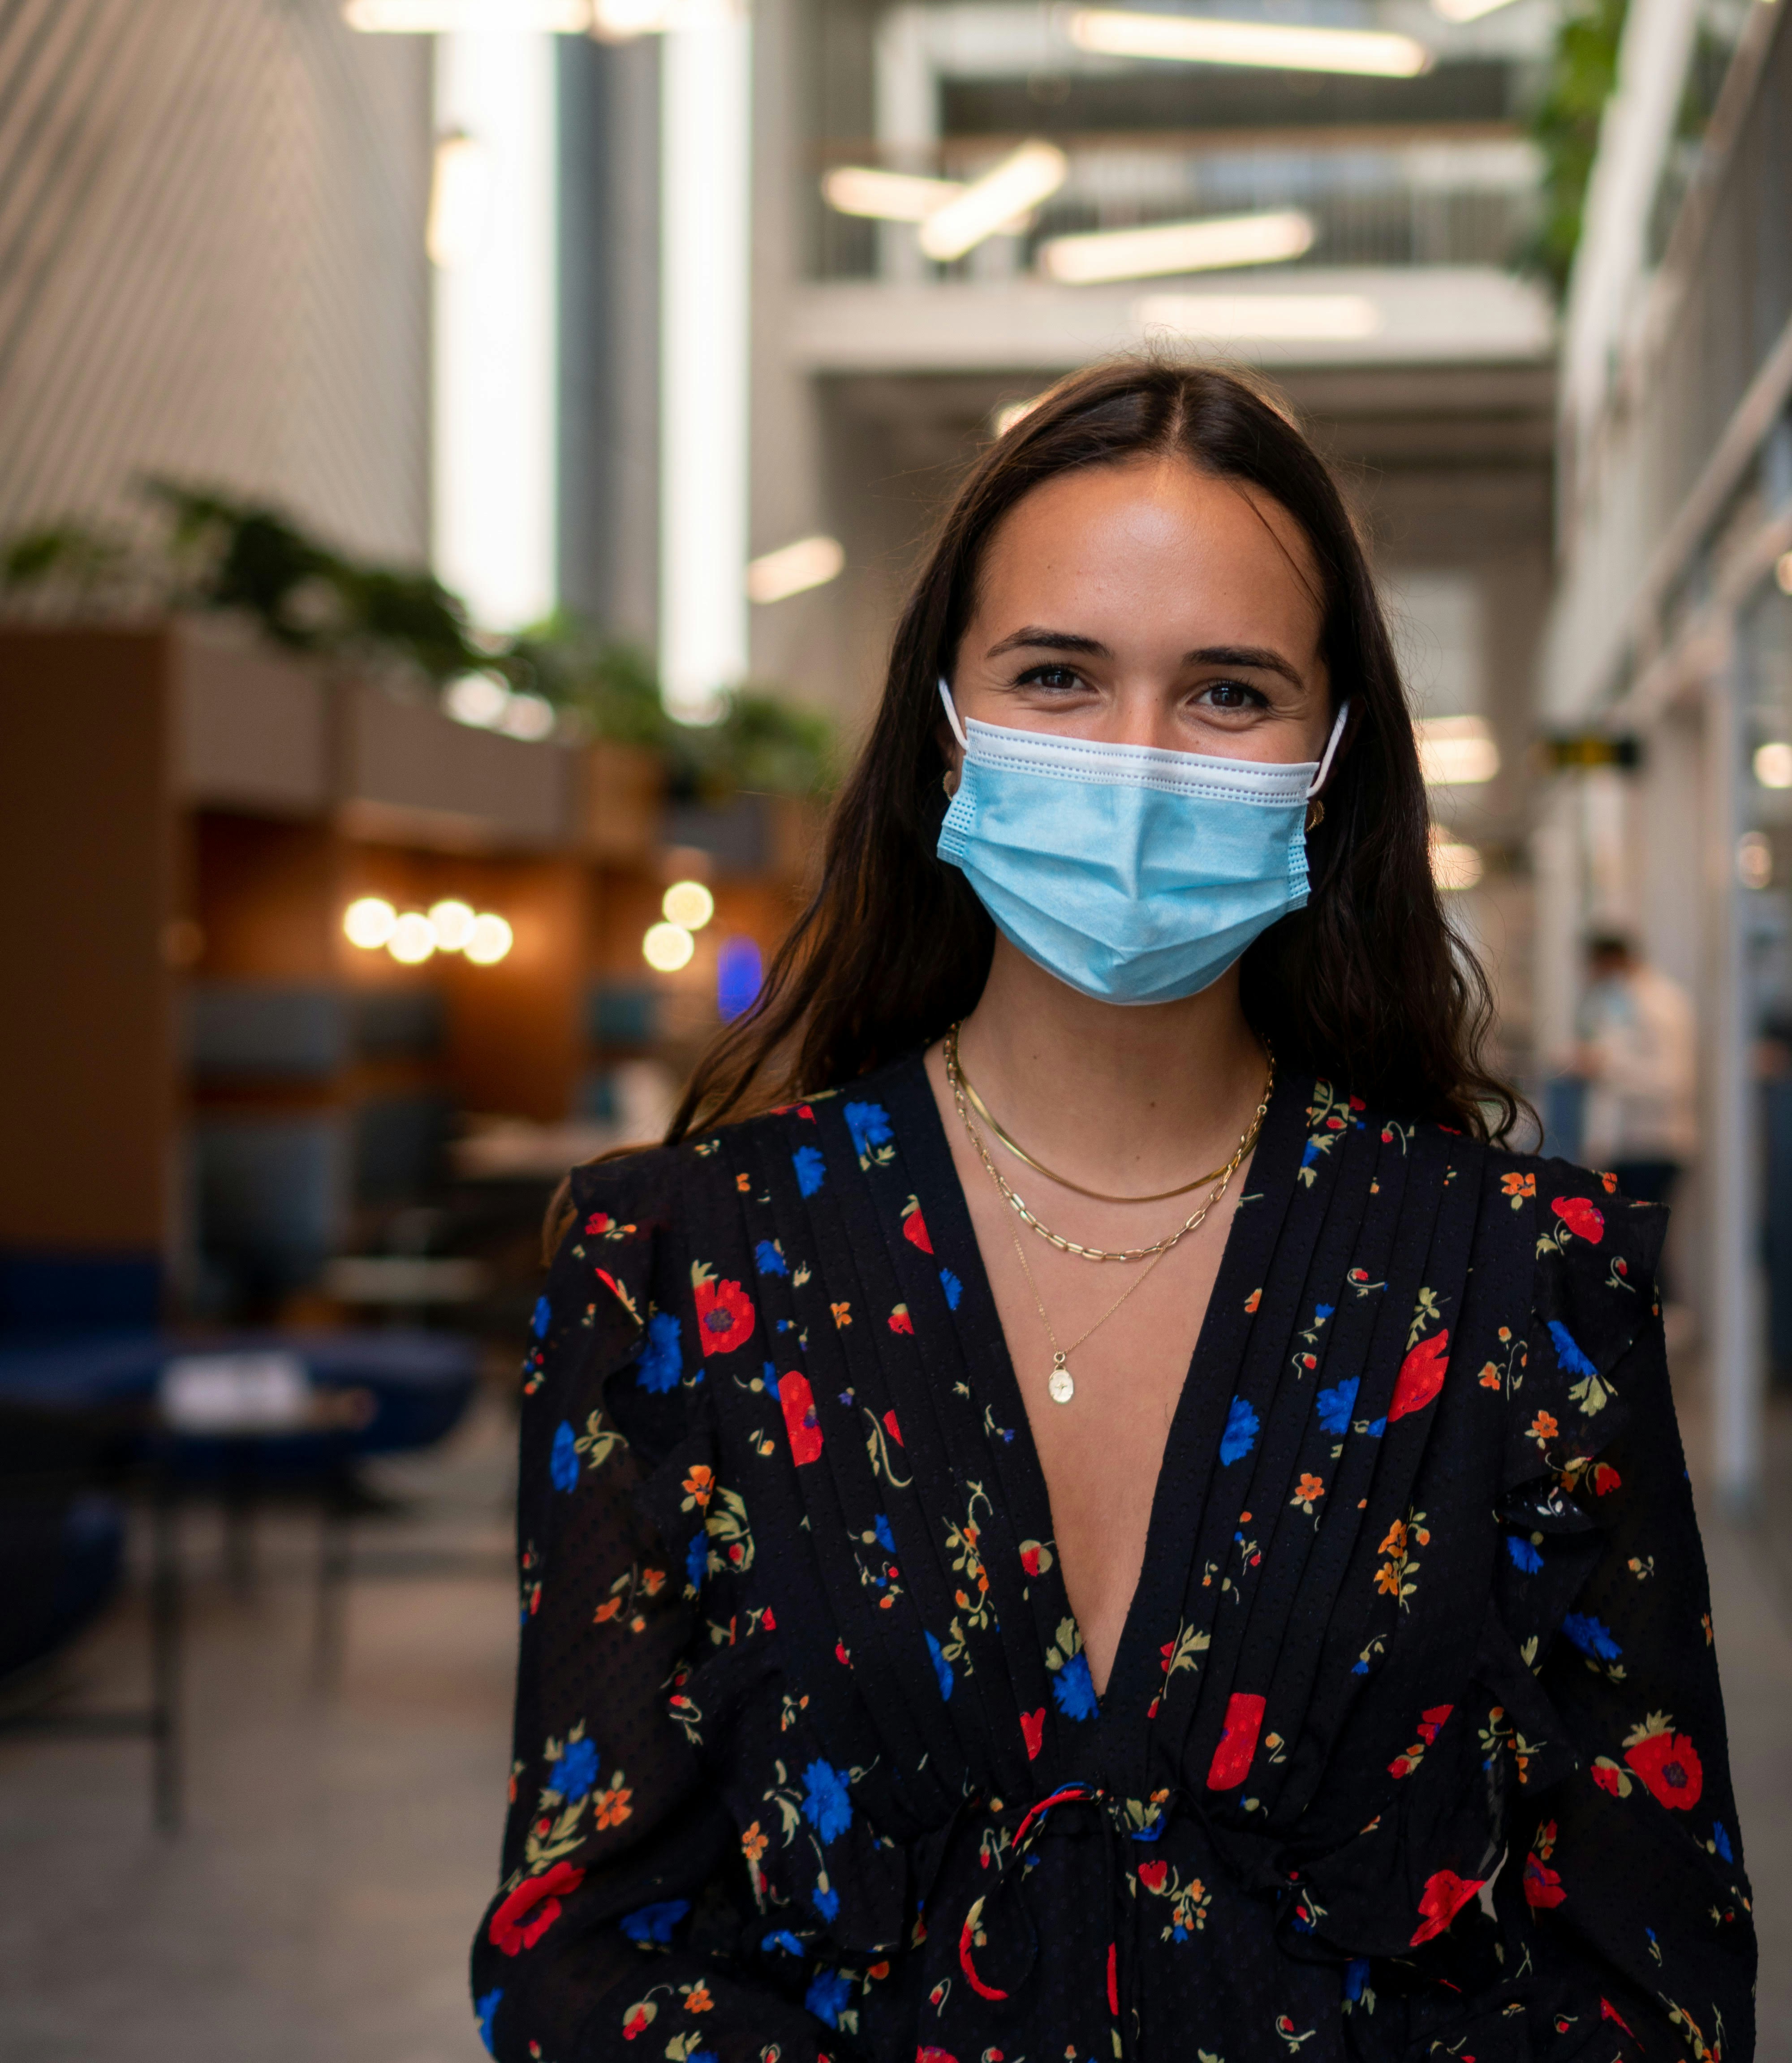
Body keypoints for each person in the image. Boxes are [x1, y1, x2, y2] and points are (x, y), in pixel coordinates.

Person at [471, 362, 1753, 2063]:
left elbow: (1651, 1972)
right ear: (944, 723)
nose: (1137, 758)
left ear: (1328, 756)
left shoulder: (1523, 1283)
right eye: (1058, 675)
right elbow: (581, 1948)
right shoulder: (678, 1265)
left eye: (1226, 690)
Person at [1573, 933, 1697, 1210]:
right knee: (1626, 1246)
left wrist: (1604, 1067)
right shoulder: (1621, 1002)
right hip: (1625, 1146)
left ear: (1611, 962)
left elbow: (1672, 1082)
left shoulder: (1660, 1006)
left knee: (1642, 1247)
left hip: (1651, 1146)